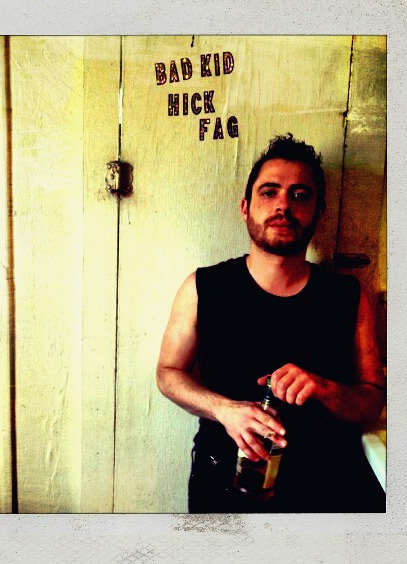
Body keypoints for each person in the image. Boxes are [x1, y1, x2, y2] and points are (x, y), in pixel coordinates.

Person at [156, 134, 386, 513]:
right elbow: (168, 374)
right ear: (245, 208)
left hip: (327, 484)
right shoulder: (204, 287)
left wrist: (326, 389)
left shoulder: (348, 296)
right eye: (269, 192)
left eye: (300, 195)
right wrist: (224, 410)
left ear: (319, 212)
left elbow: (372, 402)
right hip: (224, 477)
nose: (283, 205)